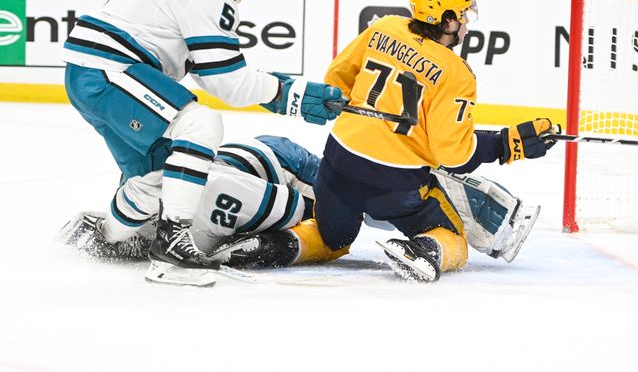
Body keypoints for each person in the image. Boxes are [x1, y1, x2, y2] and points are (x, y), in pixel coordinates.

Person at [211, 0, 558, 282]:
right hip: (395, 183)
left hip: (339, 162)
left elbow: (337, 78)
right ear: (447, 19)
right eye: (463, 15)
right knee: (451, 237)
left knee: (333, 239)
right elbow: (454, 154)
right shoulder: (457, 73)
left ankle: (275, 246)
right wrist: (505, 144)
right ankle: (425, 250)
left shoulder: (384, 27)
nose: (467, 23)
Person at [61, 0, 342, 287]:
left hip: (93, 75)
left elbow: (214, 76)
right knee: (200, 125)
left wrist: (285, 94)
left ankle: (103, 236)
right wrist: (292, 95)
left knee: (152, 180)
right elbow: (228, 83)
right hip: (108, 70)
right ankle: (173, 243)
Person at [62, 134, 540, 270]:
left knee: (335, 217)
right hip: (271, 160)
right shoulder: (173, 204)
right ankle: (443, 235)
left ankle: (440, 233)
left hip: (275, 168)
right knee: (361, 201)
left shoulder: (186, 216)